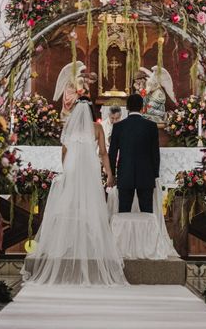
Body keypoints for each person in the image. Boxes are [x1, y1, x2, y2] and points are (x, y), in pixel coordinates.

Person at [21, 96, 127, 286]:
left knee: (69, 206)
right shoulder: (97, 128)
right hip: (90, 170)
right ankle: (91, 248)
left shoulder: (69, 127)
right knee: (92, 206)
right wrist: (110, 174)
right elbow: (103, 153)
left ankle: (67, 246)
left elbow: (64, 152)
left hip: (73, 169)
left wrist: (66, 169)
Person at [109, 94, 161, 214]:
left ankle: (124, 233)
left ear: (127, 107)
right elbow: (155, 153)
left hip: (125, 174)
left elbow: (112, 153)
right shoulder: (151, 126)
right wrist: (155, 174)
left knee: (124, 211)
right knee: (147, 212)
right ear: (142, 107)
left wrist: (112, 174)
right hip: (146, 174)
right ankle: (147, 233)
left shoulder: (118, 126)